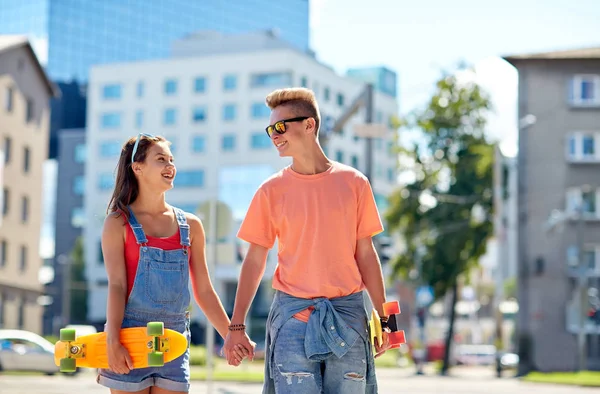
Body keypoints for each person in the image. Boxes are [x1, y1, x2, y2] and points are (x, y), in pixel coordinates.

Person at [223, 88, 392, 393]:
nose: (274, 135)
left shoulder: (354, 183)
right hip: (292, 320)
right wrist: (236, 326)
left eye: (281, 126)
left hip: (349, 318)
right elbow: (254, 260)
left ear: (309, 124)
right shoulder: (270, 190)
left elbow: (366, 254)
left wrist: (385, 317)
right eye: (270, 129)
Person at [98, 134, 251, 394]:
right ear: (138, 168)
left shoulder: (191, 226)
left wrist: (232, 334)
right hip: (130, 337)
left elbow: (204, 290)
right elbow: (117, 286)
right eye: (161, 160)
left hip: (175, 340)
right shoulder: (117, 222)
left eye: (171, 160)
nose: (170, 166)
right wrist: (113, 340)